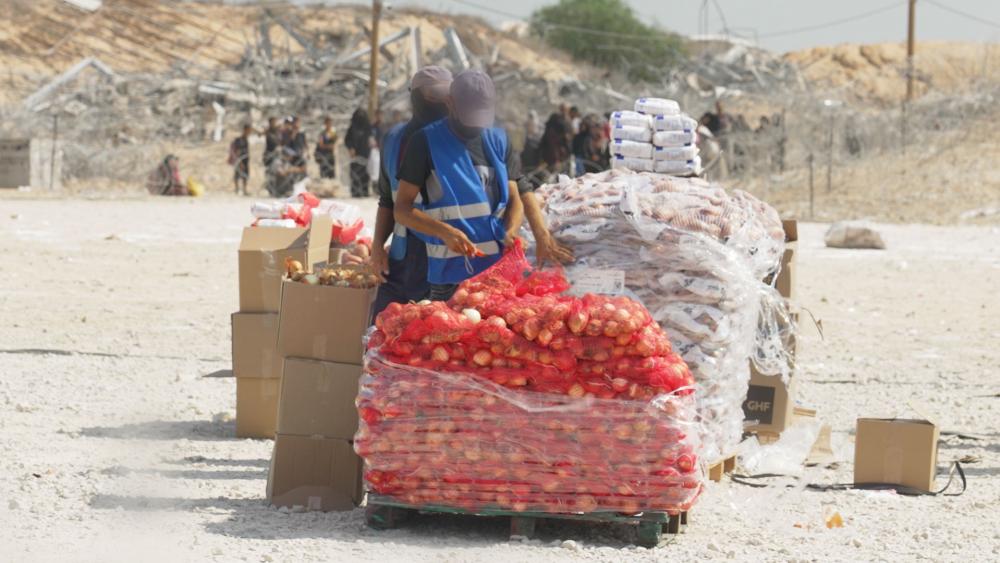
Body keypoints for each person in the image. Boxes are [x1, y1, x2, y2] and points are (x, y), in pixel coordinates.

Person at [393, 70, 524, 302]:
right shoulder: (424, 142)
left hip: (498, 276)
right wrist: (445, 232)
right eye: (471, 114)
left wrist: (511, 230)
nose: (477, 124)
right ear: (450, 103)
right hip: (450, 278)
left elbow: (515, 198)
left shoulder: (497, 140)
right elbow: (402, 209)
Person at [370, 65, 454, 317]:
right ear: (415, 96)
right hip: (403, 258)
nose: (437, 100)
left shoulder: (463, 141)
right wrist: (377, 247)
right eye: (430, 94)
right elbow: (387, 198)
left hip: (448, 260)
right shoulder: (395, 139)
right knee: (382, 331)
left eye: (442, 94)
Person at [345, 109, 374, 198]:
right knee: (355, 174)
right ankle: (355, 192)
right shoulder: (352, 128)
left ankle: (365, 191)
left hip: (365, 154)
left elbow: (371, 139)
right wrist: (350, 148)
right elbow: (347, 140)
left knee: (365, 174)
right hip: (355, 155)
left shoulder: (368, 127)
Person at [229, 123, 251, 195]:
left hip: (245, 160)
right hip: (240, 160)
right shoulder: (239, 140)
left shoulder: (246, 139)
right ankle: (237, 189)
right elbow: (237, 152)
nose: (249, 132)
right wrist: (240, 162)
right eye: (248, 130)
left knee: (245, 176)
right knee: (237, 175)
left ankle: (244, 190)